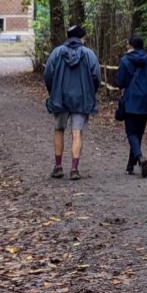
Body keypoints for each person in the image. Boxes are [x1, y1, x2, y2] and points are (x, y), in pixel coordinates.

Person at [43, 25, 100, 180]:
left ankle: (58, 166)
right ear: (82, 37)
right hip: (81, 98)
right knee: (77, 133)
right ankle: (74, 169)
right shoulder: (89, 54)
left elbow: (48, 74)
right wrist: (90, 92)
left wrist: (53, 91)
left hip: (60, 97)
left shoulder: (57, 53)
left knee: (59, 129)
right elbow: (96, 76)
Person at [116, 36, 147, 178]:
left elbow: (120, 81)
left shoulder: (125, 60)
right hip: (146, 101)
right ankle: (130, 166)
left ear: (130, 45)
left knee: (131, 133)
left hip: (131, 100)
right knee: (138, 133)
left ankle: (140, 158)